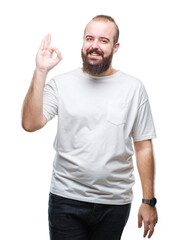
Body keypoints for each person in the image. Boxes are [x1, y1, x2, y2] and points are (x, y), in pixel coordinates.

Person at [22, 15, 158, 240]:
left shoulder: (133, 88)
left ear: (115, 47)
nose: (94, 45)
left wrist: (148, 201)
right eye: (89, 38)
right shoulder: (62, 84)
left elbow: (143, 146)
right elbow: (30, 123)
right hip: (66, 199)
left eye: (103, 40)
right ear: (83, 42)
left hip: (115, 202)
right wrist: (40, 72)